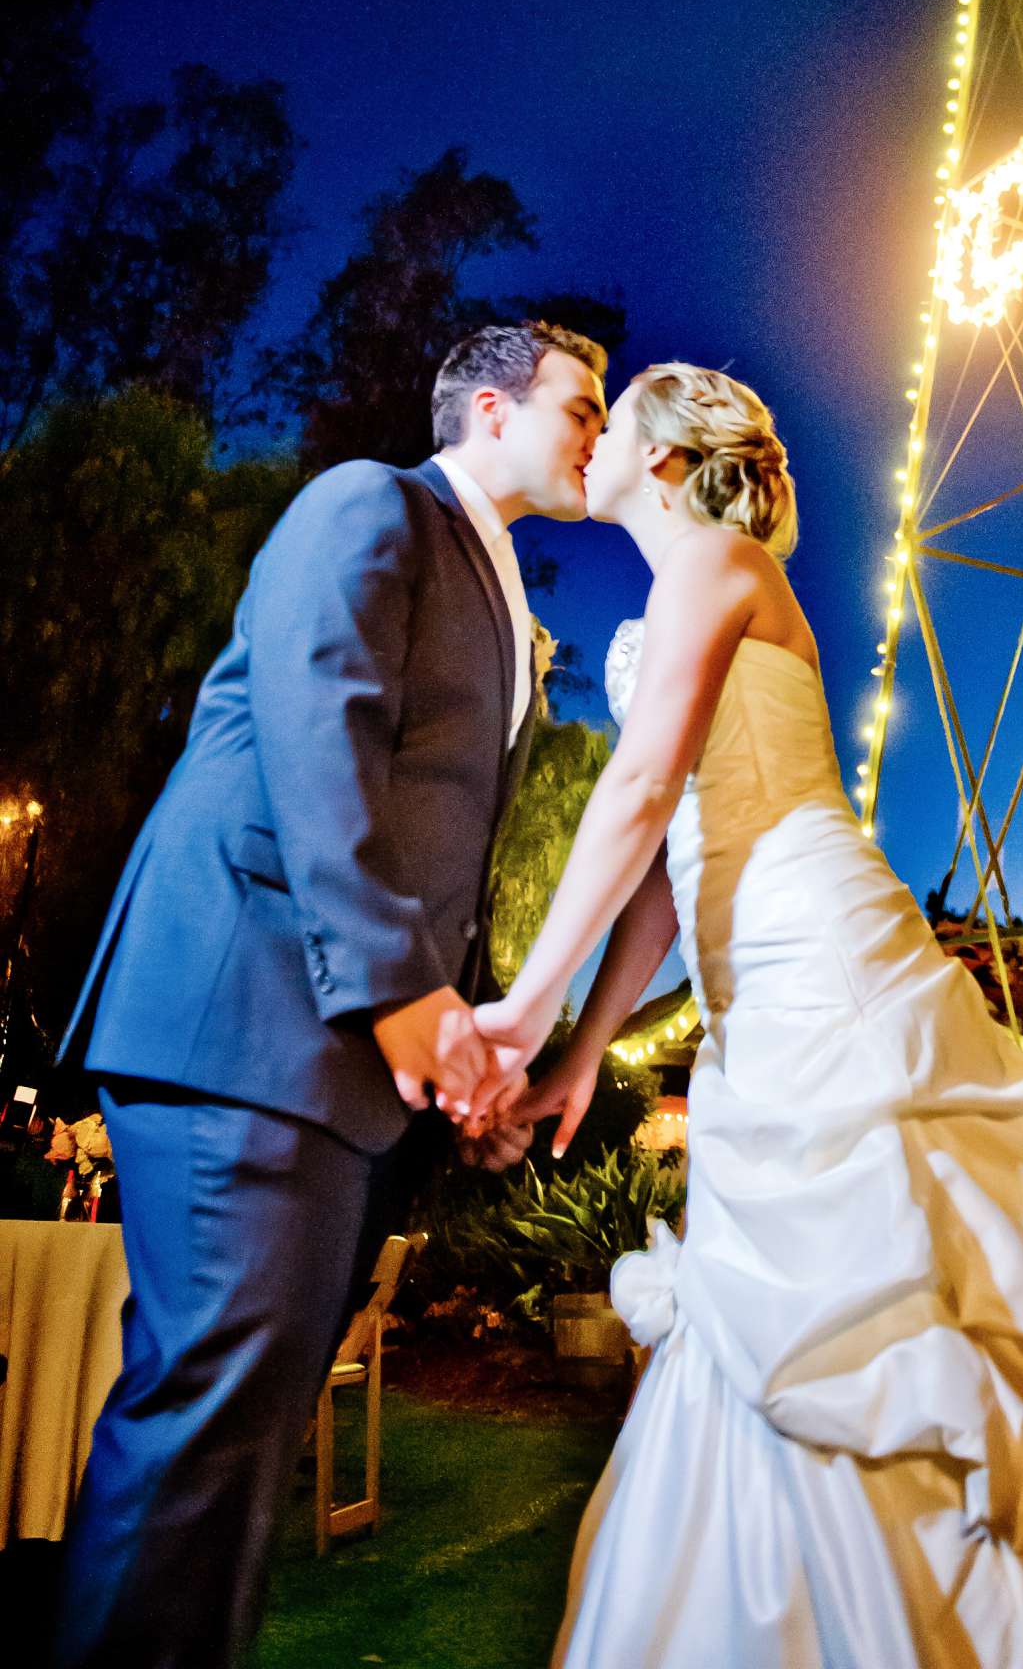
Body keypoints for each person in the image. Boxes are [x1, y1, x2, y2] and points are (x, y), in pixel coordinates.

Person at [470, 362, 1023, 1669]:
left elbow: (645, 785)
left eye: (611, 417)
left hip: (820, 960)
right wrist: (580, 1050)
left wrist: (519, 1003)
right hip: (749, 999)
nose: (586, 440)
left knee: (874, 1293)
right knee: (772, 1317)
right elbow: (664, 867)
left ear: (661, 462)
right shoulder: (677, 597)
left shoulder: (717, 563)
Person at [52, 320, 607, 1669]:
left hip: (339, 1076)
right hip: (246, 1029)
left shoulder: (498, 599)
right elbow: (318, 728)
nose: (600, 431)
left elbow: (439, 863)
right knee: (201, 1439)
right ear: (489, 409)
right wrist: (392, 995)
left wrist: (460, 1055)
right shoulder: (371, 505)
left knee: (236, 1463)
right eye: (579, 406)